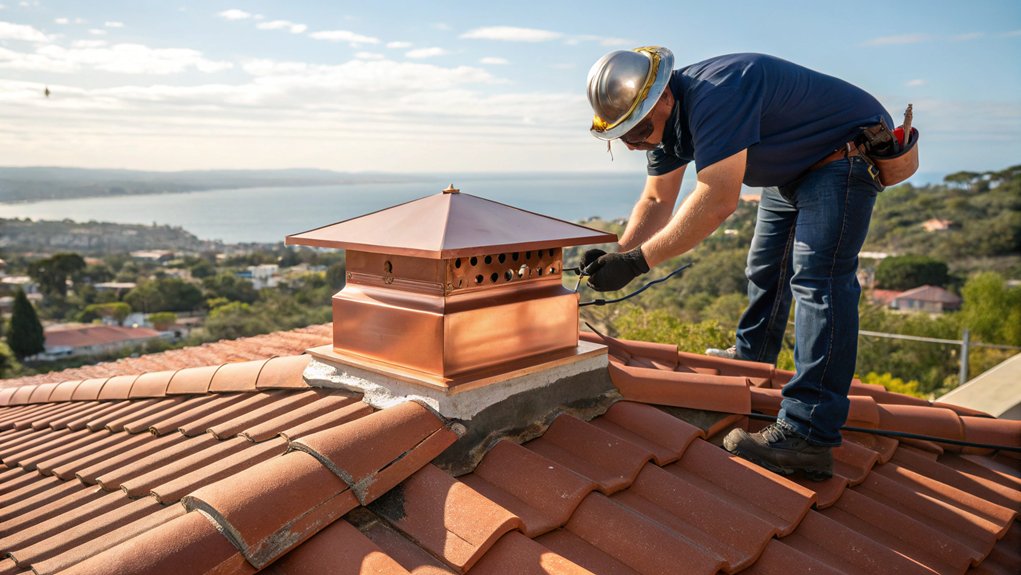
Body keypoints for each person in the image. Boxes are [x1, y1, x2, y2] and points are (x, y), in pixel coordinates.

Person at [583, 47, 895, 480]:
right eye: (624, 138)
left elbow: (716, 201)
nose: (634, 144)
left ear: (664, 98)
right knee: (766, 269)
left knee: (818, 282)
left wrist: (637, 263)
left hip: (841, 155)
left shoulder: (717, 95)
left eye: (638, 132)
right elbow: (656, 199)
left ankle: (809, 433)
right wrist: (619, 253)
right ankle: (751, 362)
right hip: (792, 168)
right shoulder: (663, 123)